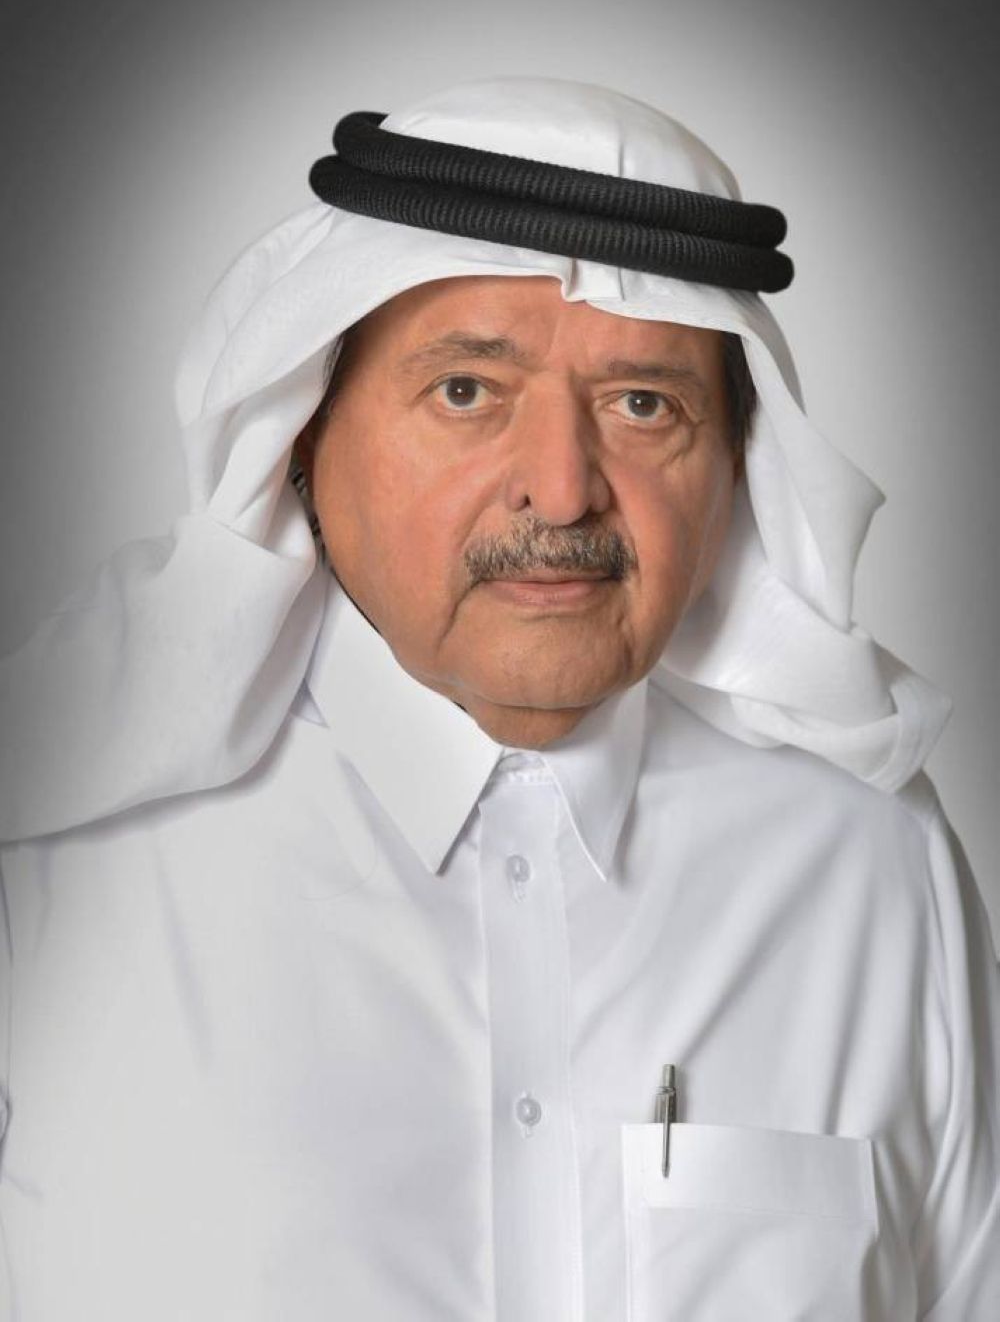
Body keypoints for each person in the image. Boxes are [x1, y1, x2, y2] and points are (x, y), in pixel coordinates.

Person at [0, 78, 996, 1321]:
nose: (563, 490)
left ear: (734, 467)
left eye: (644, 405)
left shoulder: (873, 867)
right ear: (304, 436)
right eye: (466, 392)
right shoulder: (50, 875)